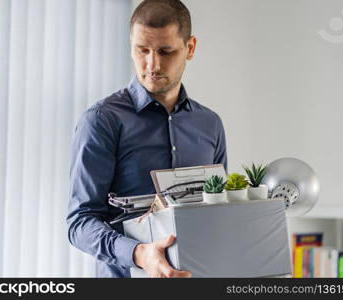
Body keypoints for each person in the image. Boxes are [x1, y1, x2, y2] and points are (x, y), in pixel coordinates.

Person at [67, 0, 227, 278]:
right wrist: (139, 254)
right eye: (142, 50)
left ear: (190, 48)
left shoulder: (210, 124)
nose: (152, 64)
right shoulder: (102, 120)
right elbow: (80, 224)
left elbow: (218, 211)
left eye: (166, 51)